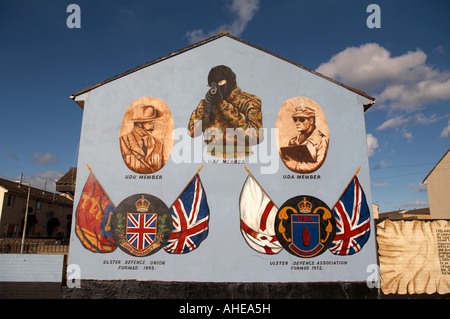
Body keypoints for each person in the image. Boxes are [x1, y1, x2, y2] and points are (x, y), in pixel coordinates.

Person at [187, 65, 263, 157]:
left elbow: (256, 136)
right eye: (212, 85)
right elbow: (193, 133)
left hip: (242, 156)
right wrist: (204, 106)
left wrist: (223, 105)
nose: (217, 88)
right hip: (213, 157)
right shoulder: (207, 103)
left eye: (220, 83)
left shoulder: (249, 101)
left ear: (229, 81)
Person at [282, 105, 328, 173]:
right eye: (295, 119)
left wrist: (295, 165)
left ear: (311, 121)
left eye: (301, 119)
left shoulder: (322, 140)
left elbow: (319, 166)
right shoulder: (293, 141)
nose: (297, 123)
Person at [120, 105, 164, 174]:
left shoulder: (158, 143)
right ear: (139, 124)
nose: (153, 127)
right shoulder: (123, 142)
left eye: (153, 123)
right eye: (150, 123)